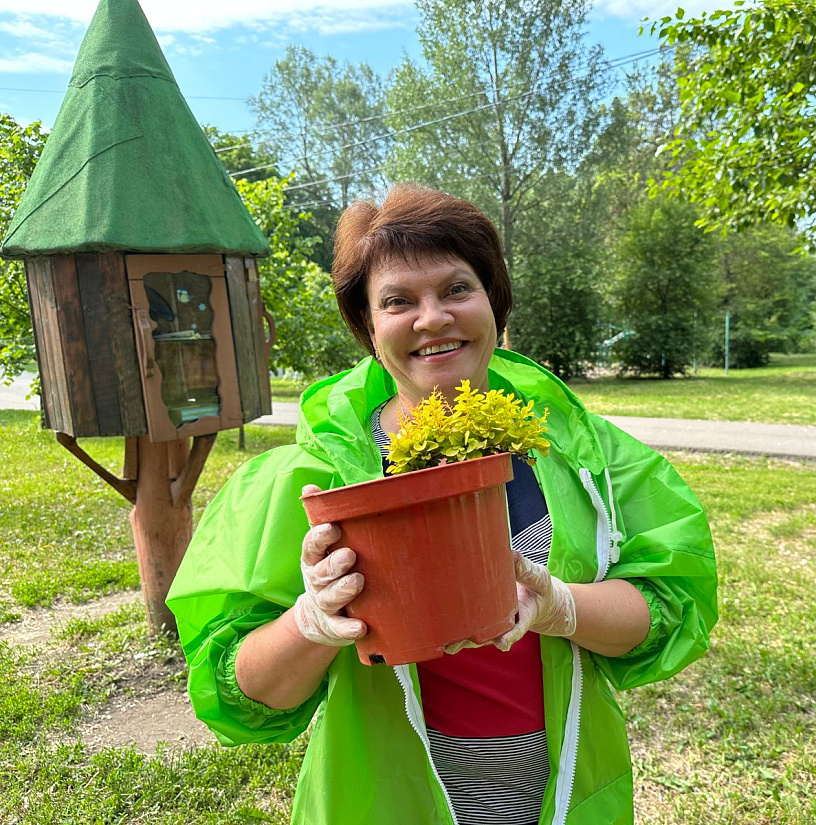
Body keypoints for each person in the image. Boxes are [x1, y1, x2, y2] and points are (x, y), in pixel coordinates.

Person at [167, 184, 718, 825]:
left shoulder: (587, 457)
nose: (432, 319)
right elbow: (246, 693)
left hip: (564, 782)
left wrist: (558, 604)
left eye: (457, 289)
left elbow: (665, 610)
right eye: (398, 301)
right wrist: (314, 620)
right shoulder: (307, 479)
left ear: (494, 303)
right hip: (382, 797)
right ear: (368, 328)